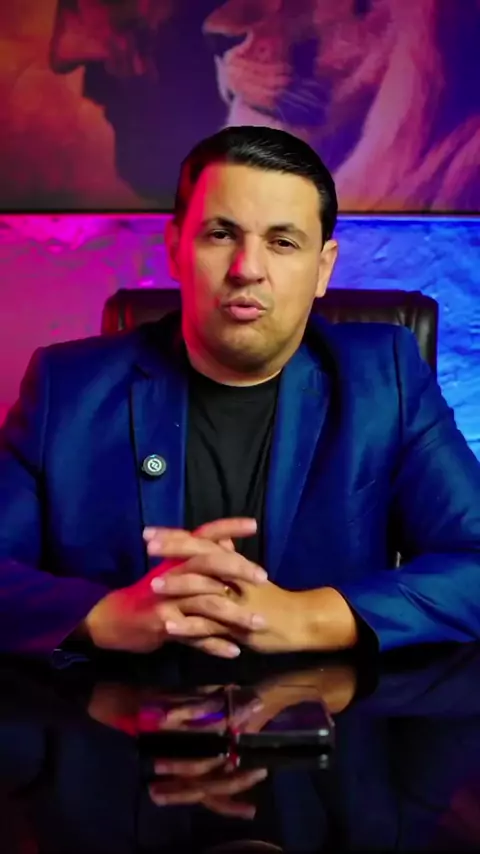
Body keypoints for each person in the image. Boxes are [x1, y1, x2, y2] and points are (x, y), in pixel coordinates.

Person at [1, 125, 480, 660]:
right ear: (175, 250)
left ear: (323, 268)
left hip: (326, 706)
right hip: (121, 705)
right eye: (220, 234)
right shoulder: (65, 387)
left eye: (282, 242)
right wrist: (104, 616)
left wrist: (310, 617)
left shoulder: (386, 379)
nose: (247, 269)